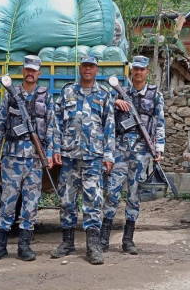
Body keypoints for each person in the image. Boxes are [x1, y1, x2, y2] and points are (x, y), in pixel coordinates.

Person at [0, 55, 54, 263]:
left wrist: (48, 155)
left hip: (34, 160)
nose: (30, 73)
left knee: (30, 203)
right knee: (7, 202)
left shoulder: (45, 97)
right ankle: (0, 246)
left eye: (34, 70)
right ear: (23, 71)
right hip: (12, 158)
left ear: (39, 74)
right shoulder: (11, 95)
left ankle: (24, 245)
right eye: (27, 69)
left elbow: (52, 128)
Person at [51, 54, 115, 265]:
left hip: (93, 157)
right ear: (80, 68)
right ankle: (67, 243)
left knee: (93, 201)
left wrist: (108, 155)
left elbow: (109, 128)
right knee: (66, 200)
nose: (88, 69)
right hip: (69, 156)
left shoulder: (104, 95)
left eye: (92, 66)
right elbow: (56, 122)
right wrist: (55, 148)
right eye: (85, 65)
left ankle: (93, 246)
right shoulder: (67, 92)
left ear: (97, 70)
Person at [100, 55, 165, 255]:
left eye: (142, 69)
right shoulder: (121, 92)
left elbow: (160, 122)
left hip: (142, 151)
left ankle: (128, 240)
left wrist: (159, 147)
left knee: (134, 195)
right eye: (135, 69)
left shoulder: (155, 95)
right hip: (120, 149)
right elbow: (107, 119)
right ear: (131, 71)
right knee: (112, 192)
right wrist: (115, 102)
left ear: (147, 72)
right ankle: (103, 239)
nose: (138, 72)